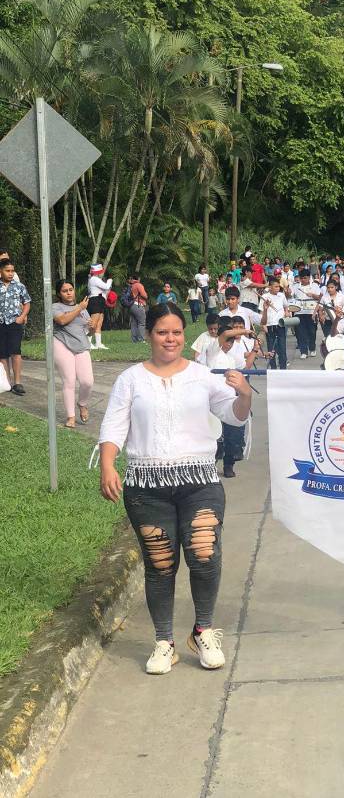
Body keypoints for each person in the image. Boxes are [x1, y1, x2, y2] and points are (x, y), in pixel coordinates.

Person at [98, 302, 252, 675]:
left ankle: (203, 630)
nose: (171, 339)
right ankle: (164, 641)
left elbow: (233, 415)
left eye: (177, 332)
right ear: (150, 334)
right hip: (147, 486)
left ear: (186, 335)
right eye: (163, 332)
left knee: (203, 554)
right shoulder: (131, 379)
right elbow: (114, 426)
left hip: (200, 482)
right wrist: (107, 465)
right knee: (160, 563)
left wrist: (244, 392)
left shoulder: (202, 376)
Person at [201, 318, 258, 478]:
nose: (229, 344)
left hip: (230, 402)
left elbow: (246, 368)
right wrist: (245, 331)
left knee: (233, 437)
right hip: (213, 403)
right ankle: (209, 468)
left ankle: (229, 465)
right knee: (215, 438)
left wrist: (254, 350)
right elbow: (225, 332)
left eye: (232, 342)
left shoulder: (231, 358)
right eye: (227, 341)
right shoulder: (212, 350)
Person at [52, 279, 95, 427]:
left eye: (71, 289)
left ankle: (82, 403)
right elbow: (62, 320)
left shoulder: (82, 308)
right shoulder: (55, 306)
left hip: (81, 345)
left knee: (87, 381)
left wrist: (92, 327)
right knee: (69, 381)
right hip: (61, 343)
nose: (69, 293)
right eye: (65, 291)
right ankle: (70, 417)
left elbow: (89, 332)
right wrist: (80, 308)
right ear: (59, 293)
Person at [0, 258, 31, 395]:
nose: (11, 273)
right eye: (8, 271)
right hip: (1, 323)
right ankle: (6, 382)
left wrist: (22, 317)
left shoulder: (19, 286)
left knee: (15, 352)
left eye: (12, 271)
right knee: (2, 354)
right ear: (1, 271)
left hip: (14, 323)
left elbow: (27, 302)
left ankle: (17, 383)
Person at [291, 269, 321, 358]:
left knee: (312, 331)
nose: (304, 280)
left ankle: (312, 348)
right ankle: (303, 351)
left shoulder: (315, 286)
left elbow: (320, 298)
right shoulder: (295, 286)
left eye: (305, 278)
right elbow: (290, 296)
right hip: (299, 312)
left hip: (311, 312)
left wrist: (312, 295)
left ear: (309, 277)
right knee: (300, 332)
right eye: (302, 278)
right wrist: (288, 292)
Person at [260, 276, 289, 370]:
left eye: (278, 286)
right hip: (269, 325)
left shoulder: (282, 295)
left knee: (282, 348)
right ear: (270, 287)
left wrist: (287, 313)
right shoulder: (264, 297)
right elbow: (261, 312)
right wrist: (263, 325)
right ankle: (273, 369)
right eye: (275, 286)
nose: (278, 288)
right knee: (271, 349)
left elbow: (286, 306)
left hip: (280, 325)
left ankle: (283, 369)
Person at [87, 263, 112, 351]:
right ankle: (88, 343)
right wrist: (110, 280)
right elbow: (107, 286)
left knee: (99, 323)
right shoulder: (94, 279)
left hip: (100, 300)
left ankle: (98, 343)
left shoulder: (96, 279)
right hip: (95, 300)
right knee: (93, 323)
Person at [127, 273, 148, 343]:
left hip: (131, 306)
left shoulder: (130, 285)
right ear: (138, 278)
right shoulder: (138, 285)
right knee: (141, 323)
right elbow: (144, 295)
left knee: (134, 323)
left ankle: (134, 340)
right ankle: (141, 339)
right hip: (138, 305)